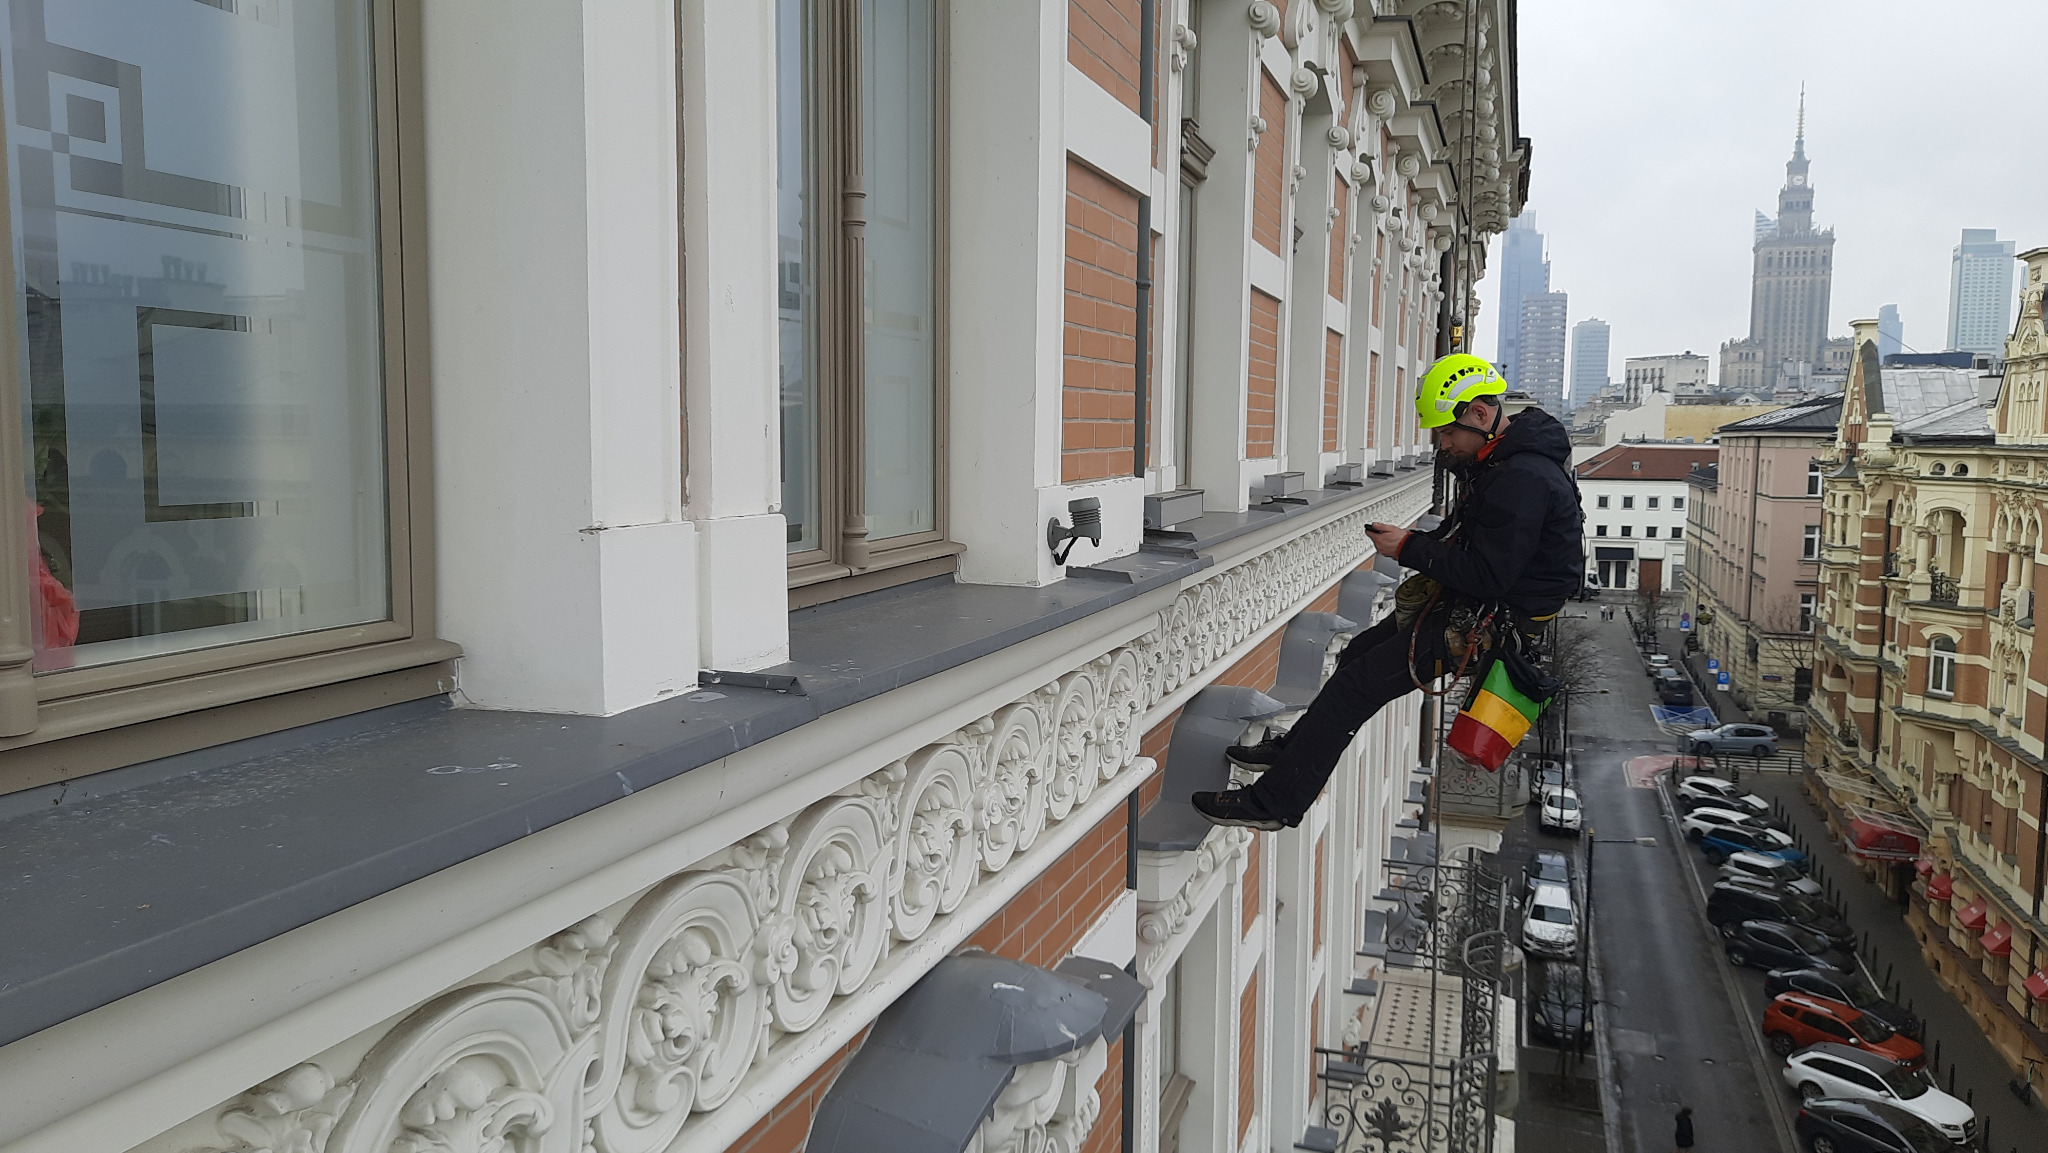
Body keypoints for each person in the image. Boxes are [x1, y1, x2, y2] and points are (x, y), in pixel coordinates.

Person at [1192, 353, 1585, 830]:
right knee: (1358, 653)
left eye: (1447, 433)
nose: (1444, 444)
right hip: (1477, 609)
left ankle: (1273, 804)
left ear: (1480, 415)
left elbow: (1489, 574)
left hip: (1486, 620)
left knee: (1356, 688)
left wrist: (1408, 547)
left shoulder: (1522, 478)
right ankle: (1292, 751)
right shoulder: (1505, 463)